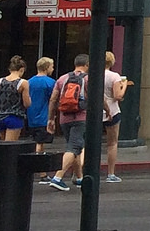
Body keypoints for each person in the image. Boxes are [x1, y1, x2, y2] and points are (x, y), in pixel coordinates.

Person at [45, 53, 94, 190]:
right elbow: (97, 98)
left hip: (64, 118)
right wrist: (107, 110)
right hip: (81, 117)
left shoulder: (62, 79)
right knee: (73, 147)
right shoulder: (88, 79)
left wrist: (51, 118)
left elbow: (53, 99)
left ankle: (79, 178)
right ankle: (58, 177)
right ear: (87, 65)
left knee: (75, 146)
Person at [98, 50, 131, 183]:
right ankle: (110, 173)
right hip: (112, 110)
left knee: (89, 143)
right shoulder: (114, 76)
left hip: (96, 112)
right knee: (112, 143)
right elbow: (118, 96)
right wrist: (124, 86)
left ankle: (83, 171)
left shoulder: (93, 74)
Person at [0, 56, 30, 141]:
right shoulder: (23, 83)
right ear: (22, 69)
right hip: (14, 117)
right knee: (10, 147)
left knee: (3, 145)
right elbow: (27, 104)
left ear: (9, 69)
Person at [23, 57, 56, 158]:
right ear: (46, 68)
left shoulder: (29, 82)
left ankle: (41, 172)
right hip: (44, 117)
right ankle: (37, 166)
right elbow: (54, 100)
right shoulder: (50, 82)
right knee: (39, 143)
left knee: (38, 142)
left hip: (31, 116)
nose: (53, 69)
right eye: (52, 67)